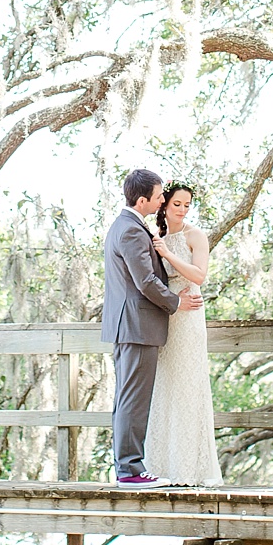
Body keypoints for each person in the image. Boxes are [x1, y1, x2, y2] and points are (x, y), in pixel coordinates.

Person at [102, 168, 203, 486]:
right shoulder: (131, 230)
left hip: (132, 325)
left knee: (128, 397)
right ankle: (129, 470)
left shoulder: (128, 226)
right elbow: (144, 281)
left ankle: (127, 466)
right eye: (160, 196)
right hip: (136, 324)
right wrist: (176, 303)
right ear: (143, 199)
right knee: (133, 399)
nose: (163, 201)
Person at [143, 183, 223, 485]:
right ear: (164, 205)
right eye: (177, 203)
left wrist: (167, 254)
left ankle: (190, 467)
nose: (182, 209)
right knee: (165, 384)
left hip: (189, 312)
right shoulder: (155, 235)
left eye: (187, 204)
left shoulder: (195, 236)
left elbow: (199, 275)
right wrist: (160, 247)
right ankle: (161, 465)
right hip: (166, 312)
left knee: (190, 383)